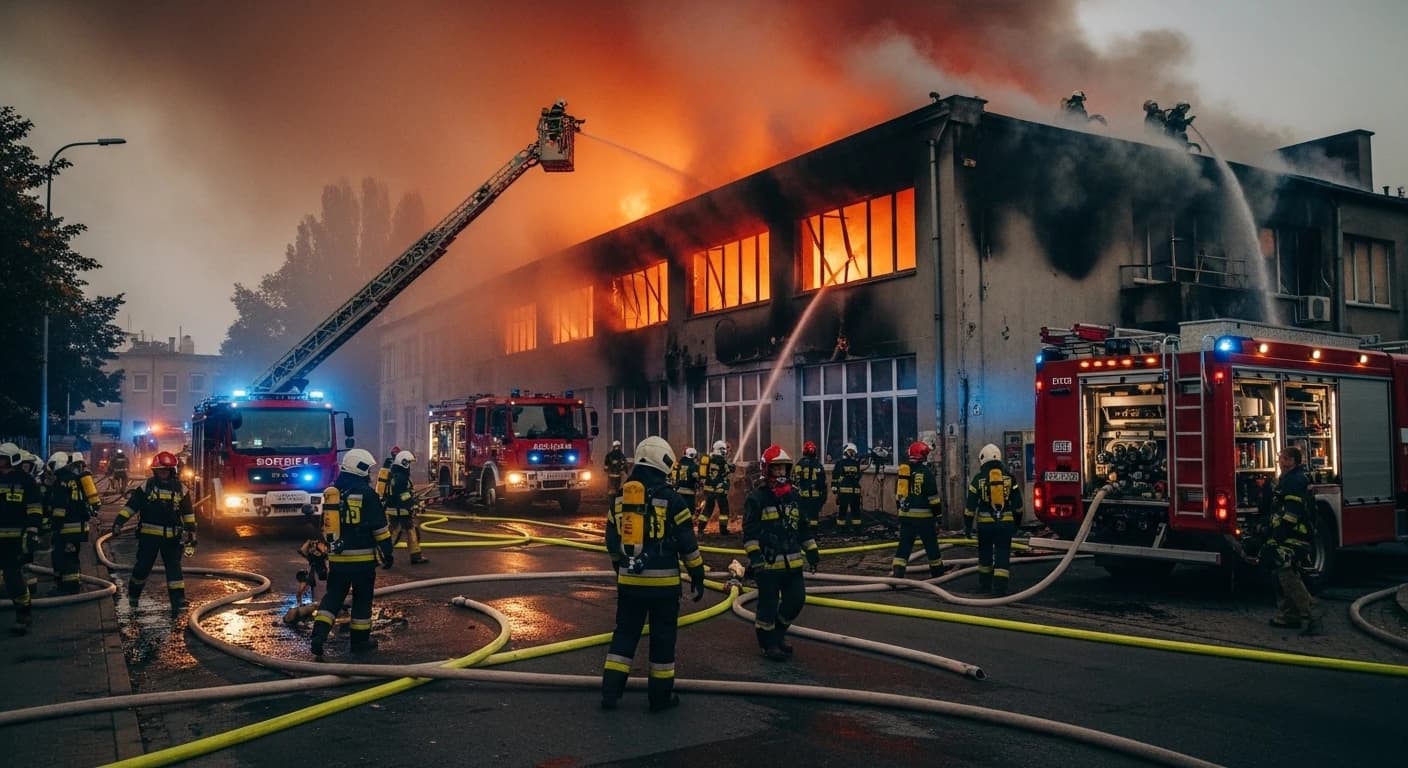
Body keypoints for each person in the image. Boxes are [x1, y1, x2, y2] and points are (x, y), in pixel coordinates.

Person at [601, 436, 705, 712]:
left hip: (630, 582)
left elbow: (611, 540)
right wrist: (697, 575)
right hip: (665, 586)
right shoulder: (672, 499)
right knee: (662, 639)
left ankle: (610, 692)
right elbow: (687, 543)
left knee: (624, 634)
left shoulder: (621, 498)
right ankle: (660, 698)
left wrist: (619, 567)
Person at [311, 448, 394, 657]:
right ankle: (359, 642)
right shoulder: (367, 494)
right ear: (359, 468)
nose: (369, 473)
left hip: (338, 560)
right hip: (363, 562)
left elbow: (325, 526)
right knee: (362, 600)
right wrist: (388, 552)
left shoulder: (333, 494)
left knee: (333, 597)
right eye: (367, 469)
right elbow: (380, 529)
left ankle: (318, 635)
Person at [744, 444, 820, 661]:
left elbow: (802, 527)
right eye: (775, 469)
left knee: (796, 600)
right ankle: (767, 644)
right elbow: (749, 532)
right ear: (766, 470)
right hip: (767, 565)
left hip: (793, 563)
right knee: (767, 606)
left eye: (783, 469)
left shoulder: (794, 496)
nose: (780, 474)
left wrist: (812, 551)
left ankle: (778, 633)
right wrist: (755, 557)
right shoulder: (757, 498)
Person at [112, 451, 196, 610]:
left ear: (172, 471)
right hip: (148, 539)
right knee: (142, 568)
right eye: (160, 470)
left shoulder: (181, 490)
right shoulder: (146, 487)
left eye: (166, 470)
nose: (163, 473)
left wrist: (191, 533)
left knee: (174, 570)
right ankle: (133, 597)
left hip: (172, 538)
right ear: (155, 471)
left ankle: (178, 601)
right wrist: (118, 523)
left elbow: (188, 514)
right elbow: (131, 507)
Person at [1259, 447, 1320, 634]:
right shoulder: (1290, 479)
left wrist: (1277, 536)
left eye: (1282, 458)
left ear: (1292, 461)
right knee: (1281, 570)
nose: (1279, 461)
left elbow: (1292, 513)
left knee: (1285, 570)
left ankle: (1310, 613)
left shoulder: (1293, 481)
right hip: (1290, 534)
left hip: (1295, 535)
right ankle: (1289, 615)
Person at [965, 443, 1024, 595]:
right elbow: (1018, 507)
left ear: (983, 459)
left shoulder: (978, 479)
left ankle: (985, 586)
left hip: (984, 526)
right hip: (1005, 525)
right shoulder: (1010, 479)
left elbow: (969, 509)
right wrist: (1016, 524)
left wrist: (967, 528)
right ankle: (1000, 588)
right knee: (1003, 554)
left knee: (985, 554)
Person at [0, 443, 43, 634]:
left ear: (12, 459)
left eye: (2, 458)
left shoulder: (26, 481)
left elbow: (34, 507)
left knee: (12, 577)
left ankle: (23, 613)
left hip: (15, 538)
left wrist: (32, 530)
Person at [891, 441, 948, 579]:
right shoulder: (926, 473)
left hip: (906, 517)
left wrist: (901, 513)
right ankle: (938, 573)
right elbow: (933, 498)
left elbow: (898, 494)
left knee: (904, 545)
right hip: (924, 519)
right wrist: (938, 517)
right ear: (922, 456)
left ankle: (898, 571)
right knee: (931, 546)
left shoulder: (903, 472)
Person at [47, 451, 92, 594]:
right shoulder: (76, 479)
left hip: (66, 527)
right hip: (79, 526)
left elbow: (60, 506)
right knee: (71, 556)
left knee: (64, 558)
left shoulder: (61, 481)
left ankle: (69, 588)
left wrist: (55, 524)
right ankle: (70, 584)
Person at [384, 449, 429, 565]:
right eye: (409, 463)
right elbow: (403, 495)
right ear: (404, 463)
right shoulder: (401, 477)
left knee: (401, 532)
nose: (410, 466)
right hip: (401, 510)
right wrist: (413, 504)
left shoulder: (395, 475)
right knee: (403, 532)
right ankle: (384, 555)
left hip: (396, 509)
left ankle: (385, 555)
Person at [697, 440, 735, 536]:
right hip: (719, 489)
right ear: (720, 450)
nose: (725, 451)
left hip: (709, 489)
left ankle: (700, 529)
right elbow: (729, 470)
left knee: (708, 509)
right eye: (724, 449)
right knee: (724, 510)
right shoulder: (721, 460)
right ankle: (723, 530)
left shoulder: (710, 459)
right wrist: (732, 465)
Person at [792, 440, 828, 528]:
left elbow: (795, 479)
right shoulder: (818, 465)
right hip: (815, 496)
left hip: (803, 495)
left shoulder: (800, 464)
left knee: (803, 514)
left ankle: (804, 532)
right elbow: (822, 481)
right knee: (814, 515)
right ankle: (814, 533)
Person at [831, 442, 863, 531]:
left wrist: (834, 487)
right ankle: (851, 529)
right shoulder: (847, 463)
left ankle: (849, 529)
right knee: (848, 511)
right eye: (850, 451)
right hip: (850, 491)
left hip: (848, 491)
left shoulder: (844, 463)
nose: (852, 453)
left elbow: (836, 476)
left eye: (852, 451)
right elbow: (836, 476)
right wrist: (834, 486)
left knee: (849, 511)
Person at [669, 446, 701, 524]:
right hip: (689, 492)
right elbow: (695, 476)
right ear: (693, 456)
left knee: (680, 509)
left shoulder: (679, 464)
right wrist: (700, 480)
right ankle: (689, 524)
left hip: (679, 491)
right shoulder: (693, 465)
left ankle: (679, 524)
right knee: (690, 510)